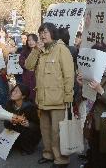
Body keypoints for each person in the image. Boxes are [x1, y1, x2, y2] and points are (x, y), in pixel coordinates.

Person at [25, 22, 74, 168]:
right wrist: (35, 50)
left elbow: (69, 75)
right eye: (40, 32)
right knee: (45, 129)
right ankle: (48, 154)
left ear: (53, 33)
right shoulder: (40, 50)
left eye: (45, 32)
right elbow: (28, 66)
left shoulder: (61, 49)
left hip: (58, 99)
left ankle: (61, 159)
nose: (42, 35)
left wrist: (68, 96)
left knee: (57, 131)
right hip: (42, 98)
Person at [77, 42, 106, 168]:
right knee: (92, 145)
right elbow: (88, 94)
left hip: (104, 121)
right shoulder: (92, 71)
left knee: (103, 151)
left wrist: (101, 90)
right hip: (92, 116)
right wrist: (82, 85)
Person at [3, 83, 41, 155]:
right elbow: (6, 124)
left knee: (25, 130)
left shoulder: (30, 107)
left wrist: (29, 124)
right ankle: (17, 143)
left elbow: (38, 126)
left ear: (23, 96)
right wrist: (11, 121)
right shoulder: (9, 104)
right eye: (13, 90)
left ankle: (28, 147)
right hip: (16, 129)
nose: (13, 93)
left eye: (16, 92)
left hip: (29, 132)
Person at [19, 34, 38, 104]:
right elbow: (22, 63)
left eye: (33, 40)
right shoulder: (24, 52)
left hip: (37, 77)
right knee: (28, 96)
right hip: (27, 77)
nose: (31, 42)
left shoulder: (40, 51)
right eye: (29, 40)